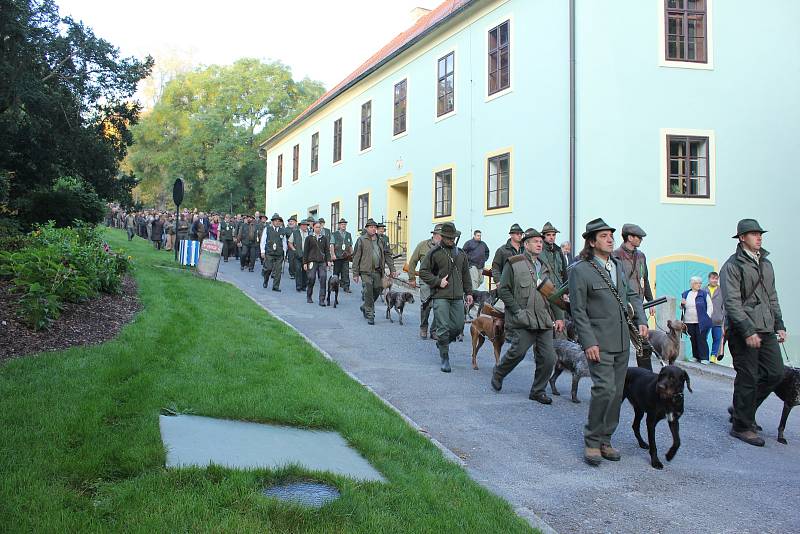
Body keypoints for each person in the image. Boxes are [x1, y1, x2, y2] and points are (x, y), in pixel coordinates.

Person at [568, 218, 647, 466]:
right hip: (598, 342)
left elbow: (632, 293)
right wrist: (588, 341)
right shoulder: (580, 270)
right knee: (604, 389)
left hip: (622, 340)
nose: (610, 239)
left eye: (611, 235)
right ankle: (592, 440)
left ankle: (606, 439)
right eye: (603, 236)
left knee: (617, 392)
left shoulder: (618, 265)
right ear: (592, 242)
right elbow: (578, 310)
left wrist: (642, 318)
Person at [720, 219, 786, 447]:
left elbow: (772, 296)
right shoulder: (732, 266)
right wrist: (747, 330)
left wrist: (780, 324)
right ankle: (741, 425)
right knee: (748, 376)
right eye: (753, 234)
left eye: (760, 234)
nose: (759, 237)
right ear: (742, 238)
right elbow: (732, 303)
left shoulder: (766, 264)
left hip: (766, 327)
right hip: (742, 330)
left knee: (776, 373)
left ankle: (742, 409)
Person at [491, 228, 565, 403]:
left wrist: (559, 316)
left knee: (549, 358)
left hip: (544, 318)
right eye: (536, 241)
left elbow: (552, 294)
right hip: (523, 318)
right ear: (526, 244)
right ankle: (499, 372)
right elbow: (504, 290)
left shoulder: (545, 267)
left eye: (541, 241)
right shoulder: (514, 263)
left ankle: (538, 391)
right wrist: (517, 311)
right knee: (518, 352)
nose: (540, 244)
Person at [419, 222, 473, 372]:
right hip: (440, 296)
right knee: (442, 328)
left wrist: (469, 292)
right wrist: (437, 282)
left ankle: (442, 342)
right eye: (448, 237)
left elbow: (465, 275)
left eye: (453, 237)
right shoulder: (434, 253)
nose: (451, 240)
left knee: (458, 326)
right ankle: (445, 357)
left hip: (457, 296)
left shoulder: (461, 254)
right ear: (442, 237)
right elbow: (423, 271)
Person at [352, 218, 394, 325]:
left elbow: (388, 255)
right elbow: (356, 257)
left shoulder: (381, 240)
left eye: (375, 227)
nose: (373, 229)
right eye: (371, 227)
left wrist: (392, 269)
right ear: (366, 228)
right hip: (365, 271)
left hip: (378, 271)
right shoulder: (361, 240)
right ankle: (370, 314)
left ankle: (365, 306)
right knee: (368, 291)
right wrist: (355, 273)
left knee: (377, 290)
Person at [407, 224, 443, 339]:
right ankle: (423, 327)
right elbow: (412, 262)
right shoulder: (422, 245)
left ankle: (434, 331)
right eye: (441, 235)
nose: (442, 238)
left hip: (439, 280)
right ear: (435, 235)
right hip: (425, 280)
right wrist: (411, 278)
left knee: (440, 306)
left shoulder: (445, 248)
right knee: (426, 305)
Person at [612, 223, 654, 302]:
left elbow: (645, 279)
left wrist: (651, 301)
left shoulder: (641, 256)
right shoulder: (615, 256)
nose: (641, 239)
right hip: (624, 305)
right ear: (630, 238)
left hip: (639, 304)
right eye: (639, 237)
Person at [681, 276, 714, 364]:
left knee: (701, 338)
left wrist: (707, 315)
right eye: (697, 283)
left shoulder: (703, 294)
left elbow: (710, 306)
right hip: (689, 320)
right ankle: (695, 356)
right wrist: (681, 304)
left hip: (701, 321)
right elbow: (681, 307)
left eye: (700, 283)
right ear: (692, 284)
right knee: (693, 339)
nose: (699, 285)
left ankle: (704, 358)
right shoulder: (686, 294)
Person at [303, 221, 331, 306]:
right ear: (313, 228)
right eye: (317, 227)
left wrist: (328, 260)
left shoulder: (324, 238)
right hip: (312, 261)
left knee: (323, 278)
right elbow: (306, 251)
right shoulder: (309, 238)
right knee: (311, 278)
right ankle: (309, 296)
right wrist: (305, 263)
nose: (318, 229)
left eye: (319, 227)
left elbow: (327, 250)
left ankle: (321, 299)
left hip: (322, 262)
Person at [490, 224, 524, 291]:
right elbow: (495, 267)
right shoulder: (502, 250)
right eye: (517, 233)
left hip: (524, 284)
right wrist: (498, 281)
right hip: (508, 285)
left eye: (521, 234)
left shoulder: (526, 249)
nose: (520, 235)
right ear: (511, 235)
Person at [260, 213, 287, 291]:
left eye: (279, 221)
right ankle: (266, 280)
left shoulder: (283, 230)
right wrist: (262, 251)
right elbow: (263, 241)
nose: (277, 222)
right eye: (275, 221)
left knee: (278, 271)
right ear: (272, 222)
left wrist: (284, 253)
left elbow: (284, 242)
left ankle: (275, 286)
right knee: (268, 268)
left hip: (279, 253)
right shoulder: (267, 229)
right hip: (269, 252)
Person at [540, 222, 568, 286]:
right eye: (548, 235)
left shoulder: (558, 250)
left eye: (553, 235)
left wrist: (565, 292)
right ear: (543, 236)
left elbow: (564, 272)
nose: (551, 237)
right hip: (545, 290)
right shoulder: (539, 251)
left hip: (559, 289)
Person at [330, 218, 353, 293]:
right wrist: (333, 254)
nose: (343, 226)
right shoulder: (334, 234)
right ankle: (333, 286)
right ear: (339, 225)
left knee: (346, 272)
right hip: (337, 256)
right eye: (342, 224)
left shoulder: (348, 234)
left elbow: (350, 246)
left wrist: (352, 254)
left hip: (346, 257)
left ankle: (346, 287)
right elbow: (332, 245)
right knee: (336, 272)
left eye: (345, 224)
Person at [706, 271, 725, 362]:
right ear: (709, 279)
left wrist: (723, 316)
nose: (714, 280)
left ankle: (713, 356)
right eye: (713, 278)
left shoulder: (722, 291)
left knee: (717, 338)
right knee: (703, 338)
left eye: (716, 279)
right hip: (706, 319)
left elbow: (724, 306)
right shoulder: (703, 290)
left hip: (718, 319)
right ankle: (704, 356)